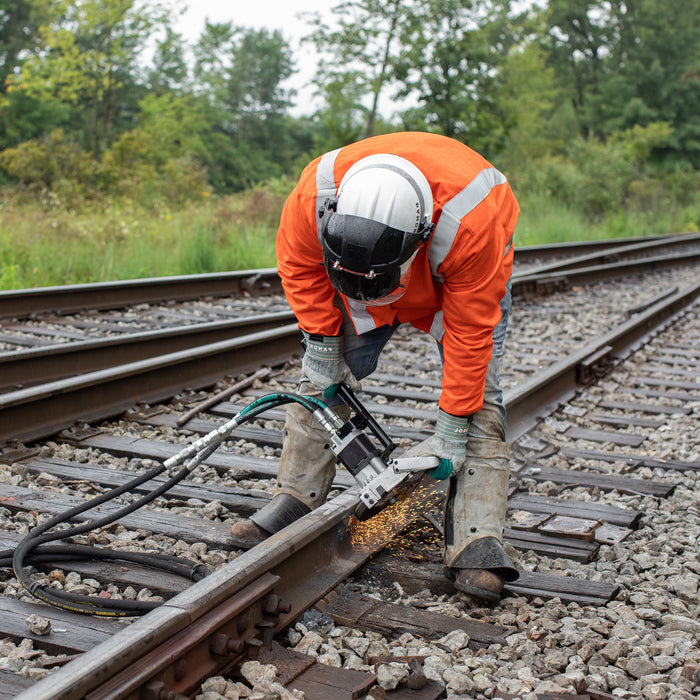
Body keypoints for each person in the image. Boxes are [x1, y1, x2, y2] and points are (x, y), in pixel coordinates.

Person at [230, 131, 520, 602]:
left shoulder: (473, 223)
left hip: (454, 282)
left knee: (479, 399)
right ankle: (294, 498)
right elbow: (300, 268)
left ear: (419, 238)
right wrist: (323, 345)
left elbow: (470, 337)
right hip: (359, 276)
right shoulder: (313, 197)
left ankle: (477, 539)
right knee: (318, 381)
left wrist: (450, 427)